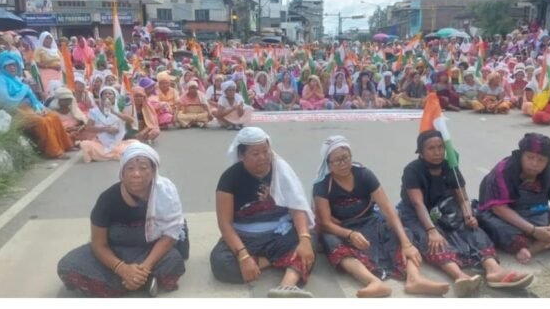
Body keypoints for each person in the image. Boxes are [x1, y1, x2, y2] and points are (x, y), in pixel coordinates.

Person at [397, 131, 534, 297]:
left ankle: (494, 270)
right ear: (421, 152)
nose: (437, 152)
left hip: (445, 208)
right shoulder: (412, 170)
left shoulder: (450, 167)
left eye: (440, 147)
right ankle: (460, 276)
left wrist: (469, 216)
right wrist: (431, 231)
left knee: (472, 230)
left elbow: (463, 199)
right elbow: (418, 204)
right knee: (434, 241)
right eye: (431, 148)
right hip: (416, 213)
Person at [313, 136, 449, 298]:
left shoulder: (364, 175)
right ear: (328, 164)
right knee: (330, 240)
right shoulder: (322, 185)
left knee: (402, 231)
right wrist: (349, 234)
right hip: (343, 228)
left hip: (370, 220)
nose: (343, 164)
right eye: (336, 161)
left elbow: (387, 209)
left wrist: (406, 244)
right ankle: (373, 282)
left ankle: (414, 278)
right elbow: (326, 223)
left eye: (346, 158)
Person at [57, 142, 188, 297]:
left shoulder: (166, 194)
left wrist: (145, 267)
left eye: (144, 168)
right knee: (68, 265)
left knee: (173, 260)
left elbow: (169, 236)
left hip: (149, 250)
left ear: (153, 171)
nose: (136, 174)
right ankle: (142, 281)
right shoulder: (107, 200)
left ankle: (131, 280)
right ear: (122, 173)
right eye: (130, 168)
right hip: (115, 251)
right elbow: (99, 244)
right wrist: (122, 269)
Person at [210, 127, 315, 298]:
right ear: (242, 155)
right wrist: (243, 257)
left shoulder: (281, 170)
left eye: (266, 151)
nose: (263, 157)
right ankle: (277, 261)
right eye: (255, 153)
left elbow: (297, 207)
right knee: (221, 263)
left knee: (310, 241)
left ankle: (285, 287)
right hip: (245, 236)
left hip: (279, 233)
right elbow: (225, 223)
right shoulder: (229, 178)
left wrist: (304, 239)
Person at [477, 133, 550, 264]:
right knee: (498, 228)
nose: (534, 164)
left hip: (536, 213)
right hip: (505, 215)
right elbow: (499, 208)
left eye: (541, 160)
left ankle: (538, 245)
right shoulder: (504, 170)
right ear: (521, 155)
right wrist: (534, 231)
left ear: (547, 161)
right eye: (530, 157)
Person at [0, 51, 74, 159]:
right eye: (9, 66)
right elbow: (6, 101)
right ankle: (54, 152)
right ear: (2, 67)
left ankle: (66, 145)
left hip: (29, 108)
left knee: (54, 116)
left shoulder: (15, 79)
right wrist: (24, 90)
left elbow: (32, 97)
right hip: (13, 111)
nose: (12, 68)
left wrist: (39, 107)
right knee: (43, 122)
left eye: (14, 65)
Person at [79, 87, 138, 163]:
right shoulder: (95, 111)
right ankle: (113, 154)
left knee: (135, 143)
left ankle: (104, 155)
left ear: (114, 97)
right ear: (101, 97)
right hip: (101, 143)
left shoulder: (119, 109)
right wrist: (105, 129)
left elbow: (130, 120)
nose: (107, 95)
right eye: (105, 94)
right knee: (85, 144)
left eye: (110, 94)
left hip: (118, 142)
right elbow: (88, 128)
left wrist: (113, 111)